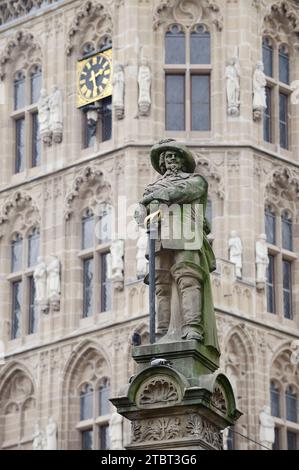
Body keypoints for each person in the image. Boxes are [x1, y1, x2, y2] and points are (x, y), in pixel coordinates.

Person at [134, 139, 219, 353]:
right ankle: (162, 333)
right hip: (159, 236)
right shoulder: (152, 188)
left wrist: (153, 197)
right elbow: (142, 213)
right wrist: (143, 211)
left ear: (182, 160)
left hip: (185, 233)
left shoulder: (195, 181)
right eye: (167, 156)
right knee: (160, 285)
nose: (171, 159)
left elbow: (181, 192)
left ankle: (193, 327)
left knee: (188, 277)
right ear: (162, 162)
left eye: (175, 155)